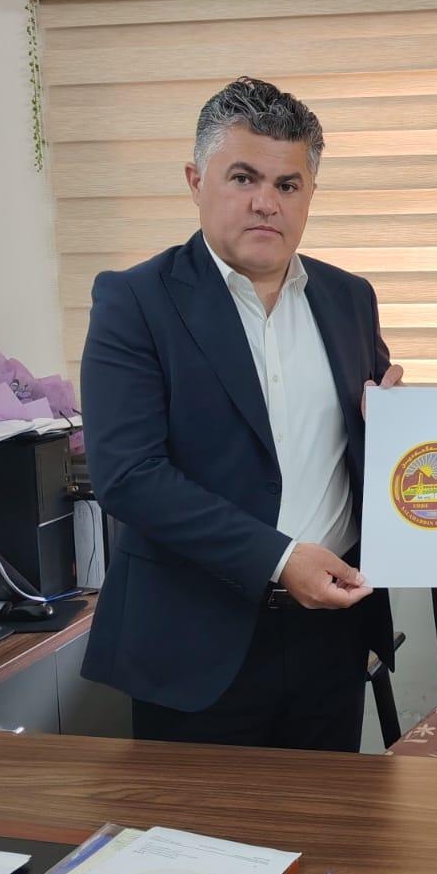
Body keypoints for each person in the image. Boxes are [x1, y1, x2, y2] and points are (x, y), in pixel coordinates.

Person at [80, 76, 401, 751]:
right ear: (196, 181)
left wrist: (427, 426)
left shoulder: (350, 298)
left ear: (310, 194)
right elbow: (129, 476)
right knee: (198, 824)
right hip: (195, 643)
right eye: (243, 177)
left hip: (332, 638)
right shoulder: (134, 301)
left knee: (327, 819)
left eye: (288, 184)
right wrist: (279, 559)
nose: (266, 202)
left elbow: (361, 445)